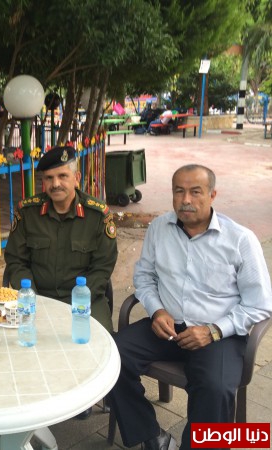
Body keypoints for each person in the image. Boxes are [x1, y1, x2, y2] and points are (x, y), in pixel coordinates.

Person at [108, 164, 272, 450]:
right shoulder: (159, 228)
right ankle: (151, 436)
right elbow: (144, 277)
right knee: (110, 358)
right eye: (179, 191)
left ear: (212, 195)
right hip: (167, 326)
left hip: (219, 335)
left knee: (215, 388)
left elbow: (260, 305)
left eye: (195, 192)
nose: (186, 200)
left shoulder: (240, 239)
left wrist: (214, 331)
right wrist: (157, 310)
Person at [4, 146, 118, 332]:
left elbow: (102, 267)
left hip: (84, 299)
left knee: (100, 341)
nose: (55, 184)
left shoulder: (97, 215)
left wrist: (77, 301)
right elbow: (16, 261)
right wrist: (33, 298)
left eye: (63, 176)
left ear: (76, 178)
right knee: (20, 341)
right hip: (38, 298)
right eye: (49, 178)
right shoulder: (28, 213)